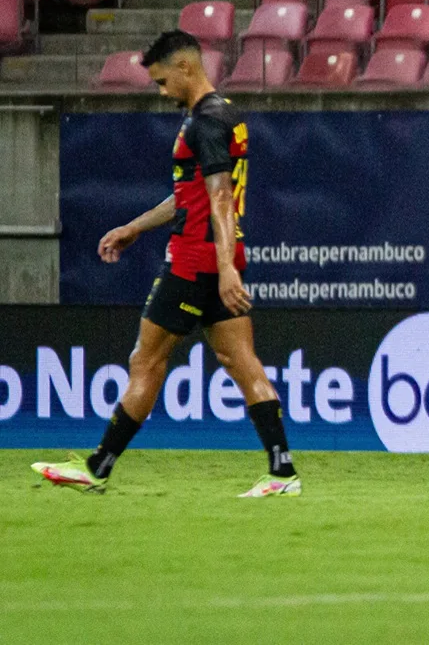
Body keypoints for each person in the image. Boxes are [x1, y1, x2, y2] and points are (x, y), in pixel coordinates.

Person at [32, 30, 300, 498]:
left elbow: (219, 197)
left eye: (161, 81)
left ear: (185, 68)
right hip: (219, 253)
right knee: (239, 359)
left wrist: (222, 267)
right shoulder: (227, 115)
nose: (160, 92)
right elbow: (192, 195)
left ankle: (98, 467)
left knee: (146, 359)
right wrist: (137, 226)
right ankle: (282, 473)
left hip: (197, 258)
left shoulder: (205, 123)